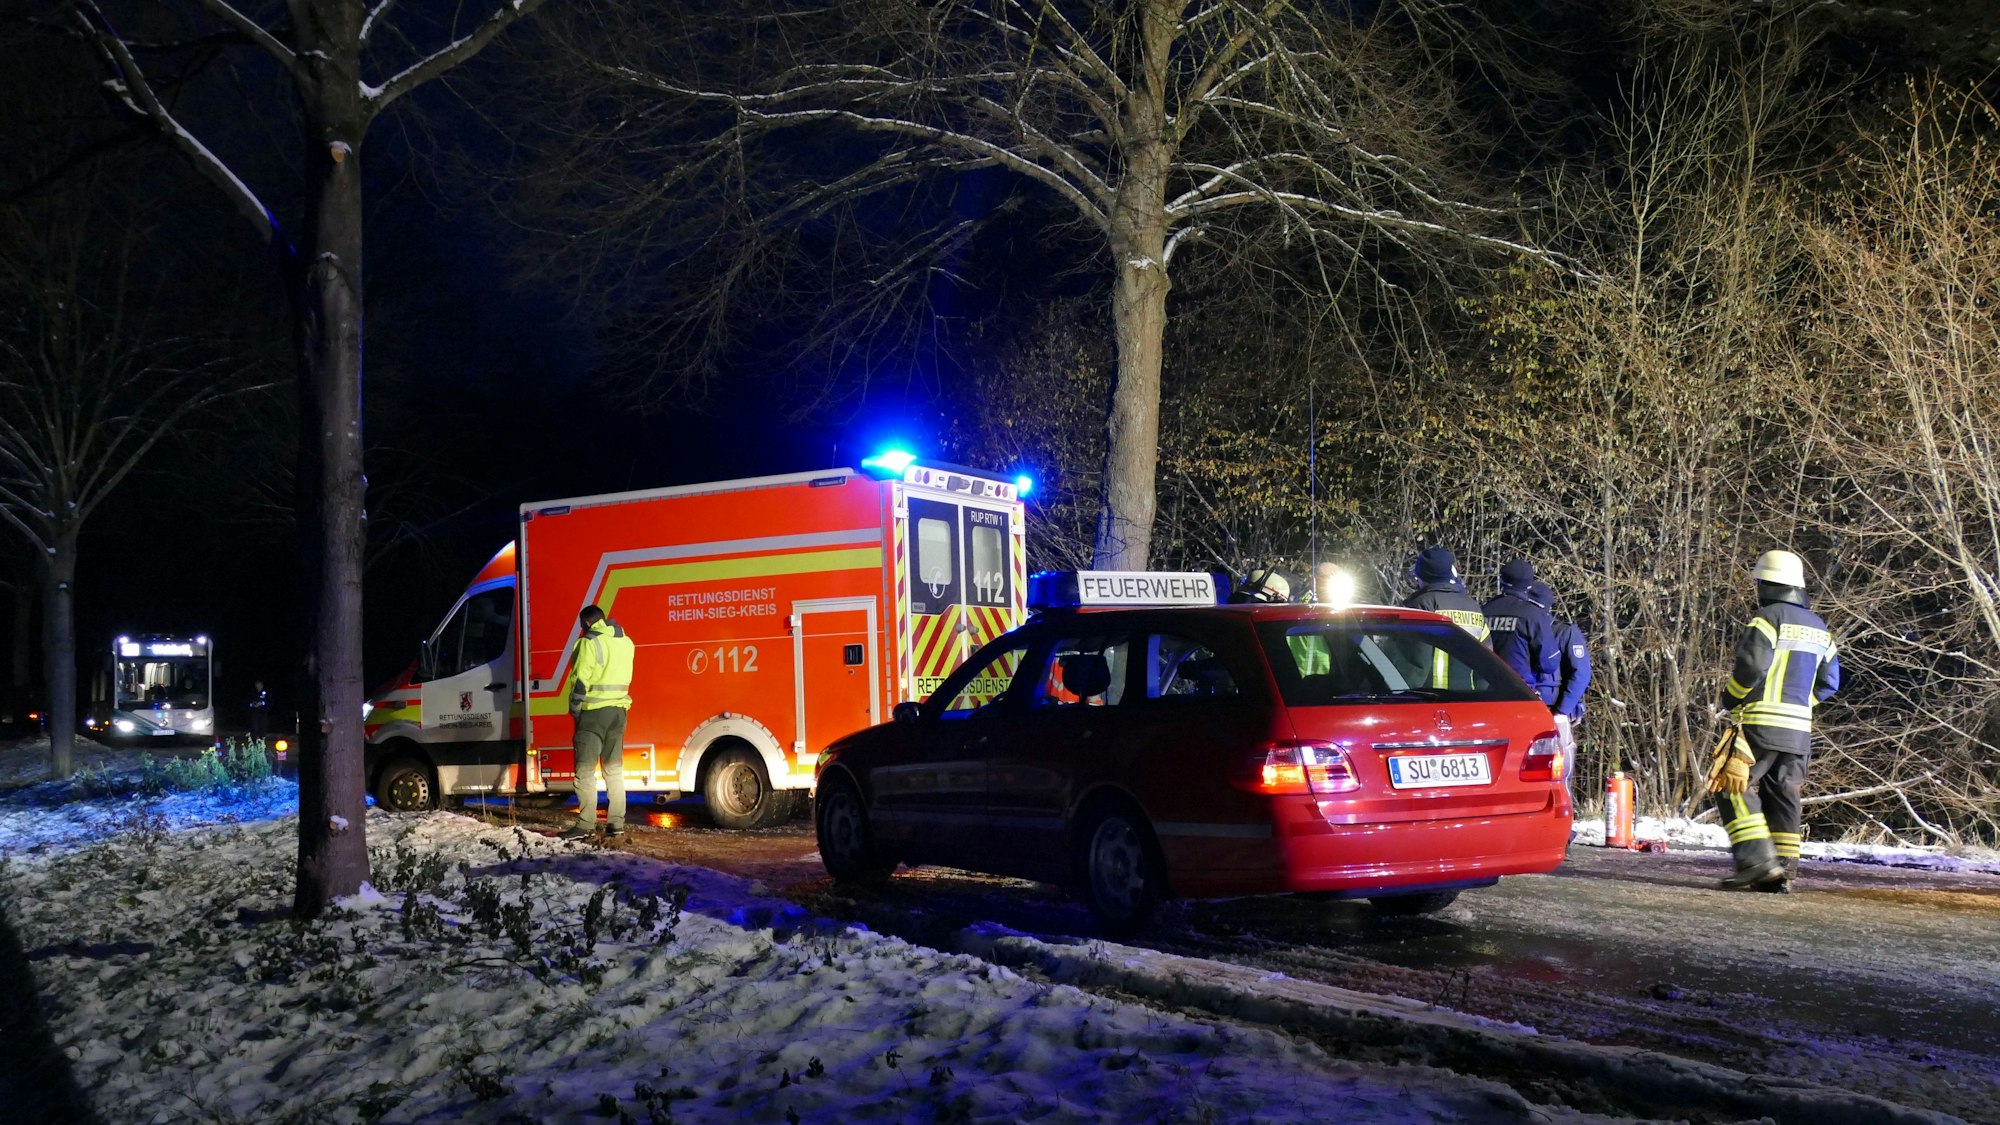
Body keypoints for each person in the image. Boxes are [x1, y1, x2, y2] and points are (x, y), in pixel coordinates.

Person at [1709, 549, 1840, 892]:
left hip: (1761, 723)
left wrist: (1733, 696)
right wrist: (1801, 704)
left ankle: (1756, 863)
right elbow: (1830, 682)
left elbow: (1750, 667)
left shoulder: (1767, 619)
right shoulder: (1821, 629)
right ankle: (1782, 871)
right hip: (1800, 731)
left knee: (1731, 784)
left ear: (1767, 584)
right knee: (1784, 793)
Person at [563, 604, 637, 840]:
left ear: (586, 624)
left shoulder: (589, 643)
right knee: (613, 770)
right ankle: (616, 823)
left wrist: (574, 708)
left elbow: (580, 681)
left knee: (584, 771)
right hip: (619, 711)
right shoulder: (626, 641)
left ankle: (585, 825)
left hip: (593, 712)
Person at [1400, 547, 1488, 689]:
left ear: (1423, 576)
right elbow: (1487, 659)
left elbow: (1414, 661)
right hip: (1469, 699)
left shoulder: (1421, 604)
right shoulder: (1473, 607)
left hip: (1429, 698)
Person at [1529, 581, 1589, 787]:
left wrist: (1563, 709)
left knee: (1559, 769)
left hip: (1553, 710)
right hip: (1543, 709)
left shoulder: (1564, 633)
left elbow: (1581, 673)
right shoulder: (1535, 628)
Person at [1484, 558, 1560, 707]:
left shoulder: (1485, 610)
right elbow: (1549, 663)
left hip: (1486, 691)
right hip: (1521, 693)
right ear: (1529, 584)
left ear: (1502, 580)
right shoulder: (1533, 615)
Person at [247, 680, 270, 746]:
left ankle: (262, 743)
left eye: (260, 685)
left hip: (263, 714)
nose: (258, 687)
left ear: (262, 686)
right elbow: (249, 703)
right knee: (254, 728)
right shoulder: (253, 693)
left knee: (263, 728)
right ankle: (254, 743)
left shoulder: (265, 692)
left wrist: (262, 703)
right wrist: (253, 704)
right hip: (255, 714)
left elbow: (269, 701)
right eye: (257, 685)